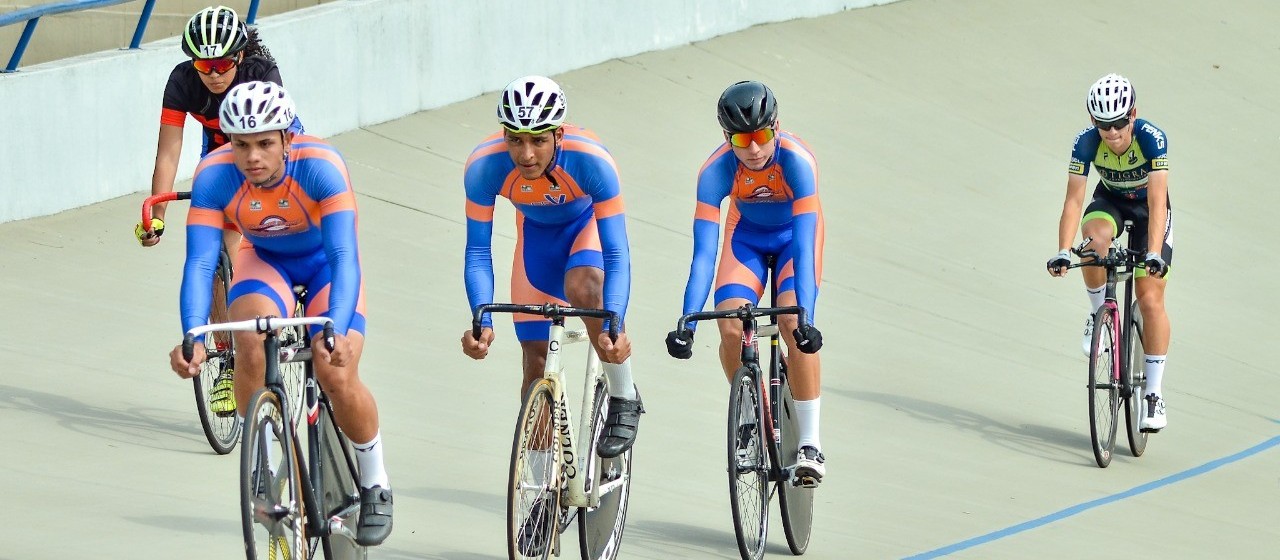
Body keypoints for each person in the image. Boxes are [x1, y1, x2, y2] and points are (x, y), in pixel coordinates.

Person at [167, 81, 392, 546]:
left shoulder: (322, 167)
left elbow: (345, 256)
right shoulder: (213, 174)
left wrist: (337, 328)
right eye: (241, 144)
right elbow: (202, 263)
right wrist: (194, 335)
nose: (252, 157)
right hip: (265, 260)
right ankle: (269, 463)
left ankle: (375, 481)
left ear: (288, 139)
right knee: (248, 334)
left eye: (265, 143)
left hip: (326, 265)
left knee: (336, 369)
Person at [139, 5, 303, 418]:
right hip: (220, 147)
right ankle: (228, 358)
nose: (211, 72)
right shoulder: (181, 82)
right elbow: (169, 150)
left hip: (267, 142)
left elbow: (276, 143)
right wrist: (158, 212)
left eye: (221, 63)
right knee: (217, 252)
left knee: (277, 213)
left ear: (240, 57)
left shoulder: (262, 72)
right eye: (202, 64)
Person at [665, 80, 827, 485]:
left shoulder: (798, 162)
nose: (753, 149)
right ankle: (751, 412)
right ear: (726, 137)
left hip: (795, 239)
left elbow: (805, 249)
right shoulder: (714, 171)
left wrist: (806, 315)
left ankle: (810, 443)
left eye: (761, 136)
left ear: (776, 127)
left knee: (791, 323)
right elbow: (704, 255)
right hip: (747, 238)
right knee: (730, 323)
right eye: (741, 139)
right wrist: (686, 320)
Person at [1047, 73, 1172, 432]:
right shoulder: (1085, 144)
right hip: (1111, 202)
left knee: (1150, 299)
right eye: (1104, 126)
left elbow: (1158, 199)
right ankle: (1097, 314)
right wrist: (1060, 250)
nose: (1113, 133)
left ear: (1133, 114)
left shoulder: (1152, 139)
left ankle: (1153, 392)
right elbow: (1073, 200)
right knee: (1091, 245)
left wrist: (1152, 253)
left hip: (1150, 210)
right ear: (1093, 122)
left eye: (1119, 123)